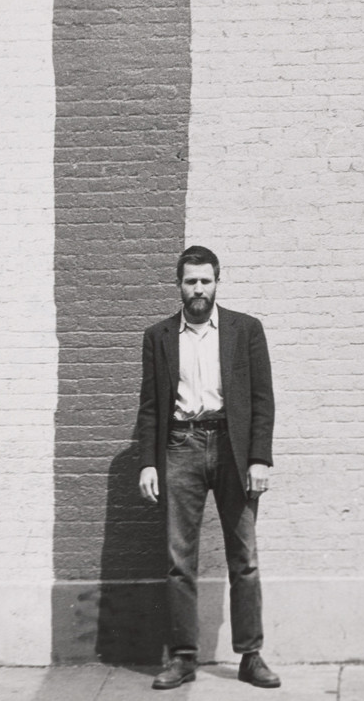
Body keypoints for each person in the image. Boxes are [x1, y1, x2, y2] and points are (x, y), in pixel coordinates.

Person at [136, 245, 280, 690]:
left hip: (234, 448)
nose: (198, 289)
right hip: (181, 445)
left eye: (205, 280)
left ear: (218, 281)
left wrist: (260, 457)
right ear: (178, 284)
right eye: (190, 281)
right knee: (180, 561)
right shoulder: (158, 337)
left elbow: (262, 400)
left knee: (246, 559)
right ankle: (182, 658)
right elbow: (149, 408)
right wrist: (147, 463)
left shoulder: (245, 330)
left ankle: (250, 656)